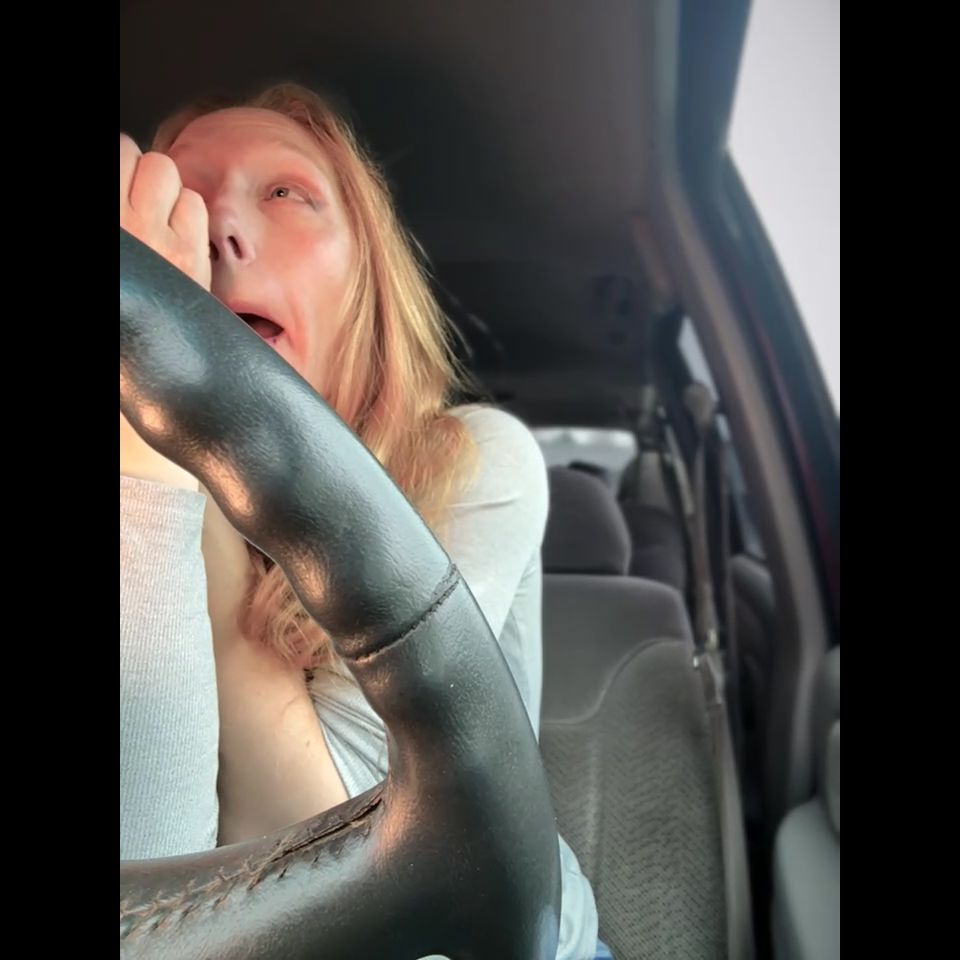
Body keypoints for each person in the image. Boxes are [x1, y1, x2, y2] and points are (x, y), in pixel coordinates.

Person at [120, 82, 606, 960]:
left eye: (285, 192)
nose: (216, 228)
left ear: (367, 284)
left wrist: (177, 439)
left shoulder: (473, 462)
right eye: (179, 195)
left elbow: (339, 855)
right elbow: (150, 913)